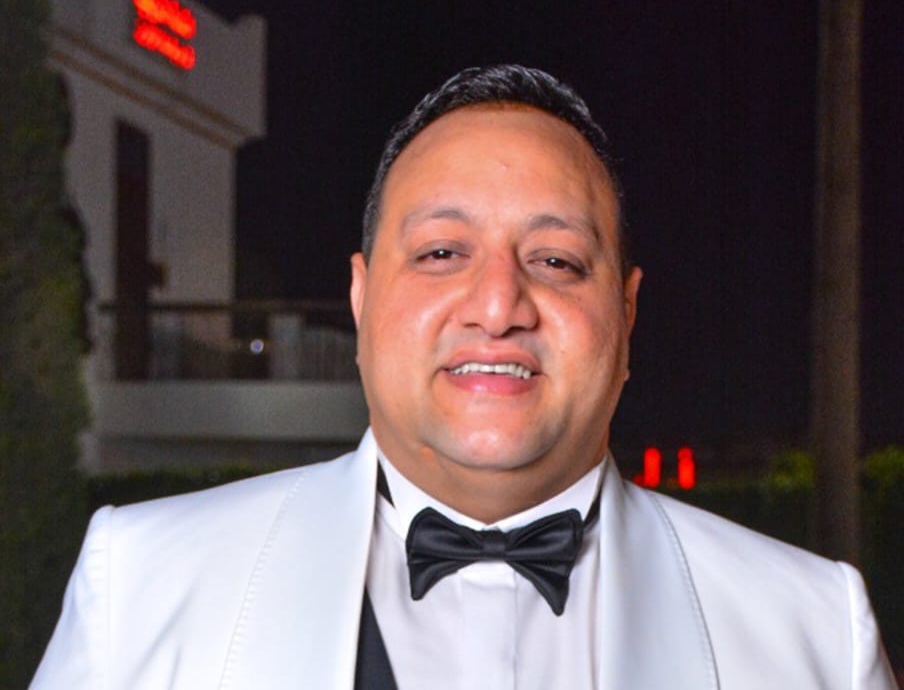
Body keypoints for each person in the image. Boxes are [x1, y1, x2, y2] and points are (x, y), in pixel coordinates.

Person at [31, 65, 895, 690]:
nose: (498, 304)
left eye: (556, 260)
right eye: (443, 252)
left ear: (627, 315)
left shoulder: (817, 632)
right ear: (362, 300)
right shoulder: (140, 584)